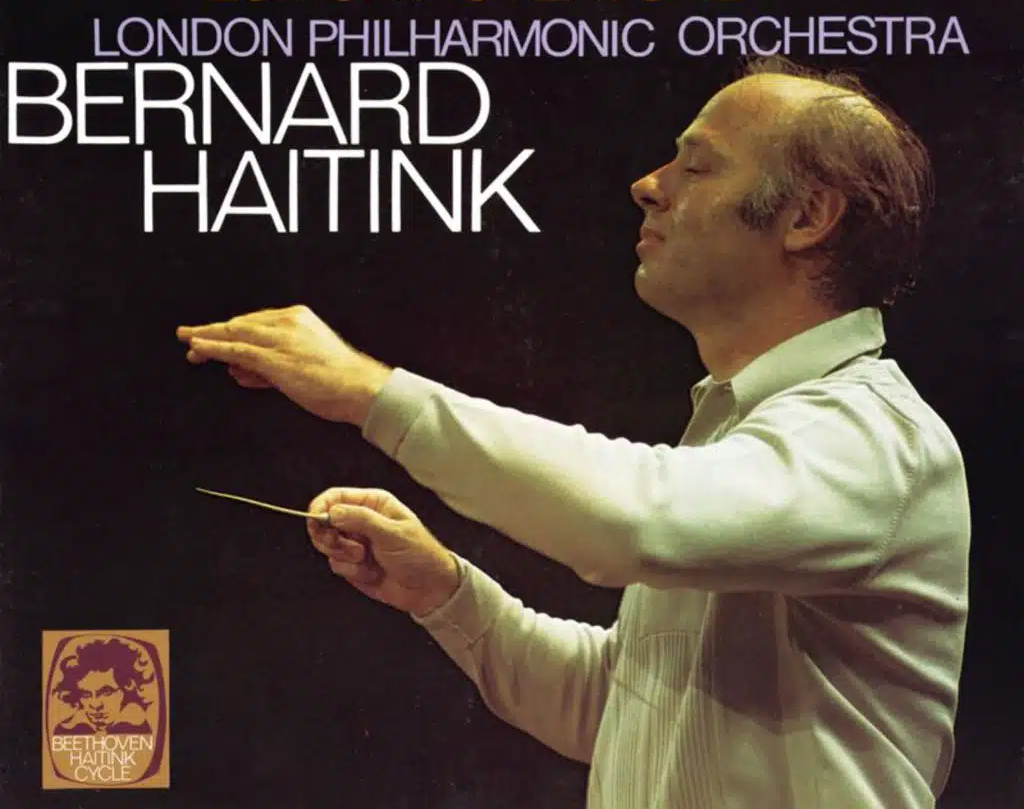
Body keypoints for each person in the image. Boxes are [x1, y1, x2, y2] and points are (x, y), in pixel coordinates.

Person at [177, 58, 970, 809]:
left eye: (696, 167)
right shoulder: (739, 439)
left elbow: (635, 522)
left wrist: (370, 393)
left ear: (806, 217)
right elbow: (617, 709)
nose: (647, 186)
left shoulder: (874, 437)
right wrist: (446, 593)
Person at [51, 637, 155, 735]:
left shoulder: (141, 729)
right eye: (86, 694)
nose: (95, 705)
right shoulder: (65, 730)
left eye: (106, 692)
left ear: (128, 685)